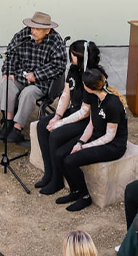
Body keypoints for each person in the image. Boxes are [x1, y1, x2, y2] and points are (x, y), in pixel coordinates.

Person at [55, 68, 129, 212]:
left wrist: (84, 147)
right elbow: (91, 124)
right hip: (97, 136)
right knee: (60, 154)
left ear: (88, 86)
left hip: (113, 146)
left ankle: (85, 197)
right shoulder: (94, 97)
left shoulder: (112, 104)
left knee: (70, 161)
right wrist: (80, 142)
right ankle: (75, 191)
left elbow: (109, 136)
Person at [34, 40, 99, 191]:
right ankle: (49, 173)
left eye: (73, 54)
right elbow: (66, 94)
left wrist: (60, 123)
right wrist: (57, 116)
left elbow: (85, 112)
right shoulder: (73, 70)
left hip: (86, 120)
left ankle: (57, 180)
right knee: (42, 125)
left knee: (55, 135)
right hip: (73, 112)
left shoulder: (92, 76)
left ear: (81, 56)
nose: (70, 58)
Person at [0, 11, 68, 145]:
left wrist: (36, 75)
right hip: (21, 76)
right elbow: (11, 53)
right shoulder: (23, 35)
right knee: (7, 84)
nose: (33, 31)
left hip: (41, 82)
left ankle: (17, 128)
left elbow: (59, 65)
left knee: (28, 93)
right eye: (32, 27)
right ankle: (8, 122)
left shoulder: (56, 41)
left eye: (37, 29)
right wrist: (7, 71)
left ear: (47, 30)